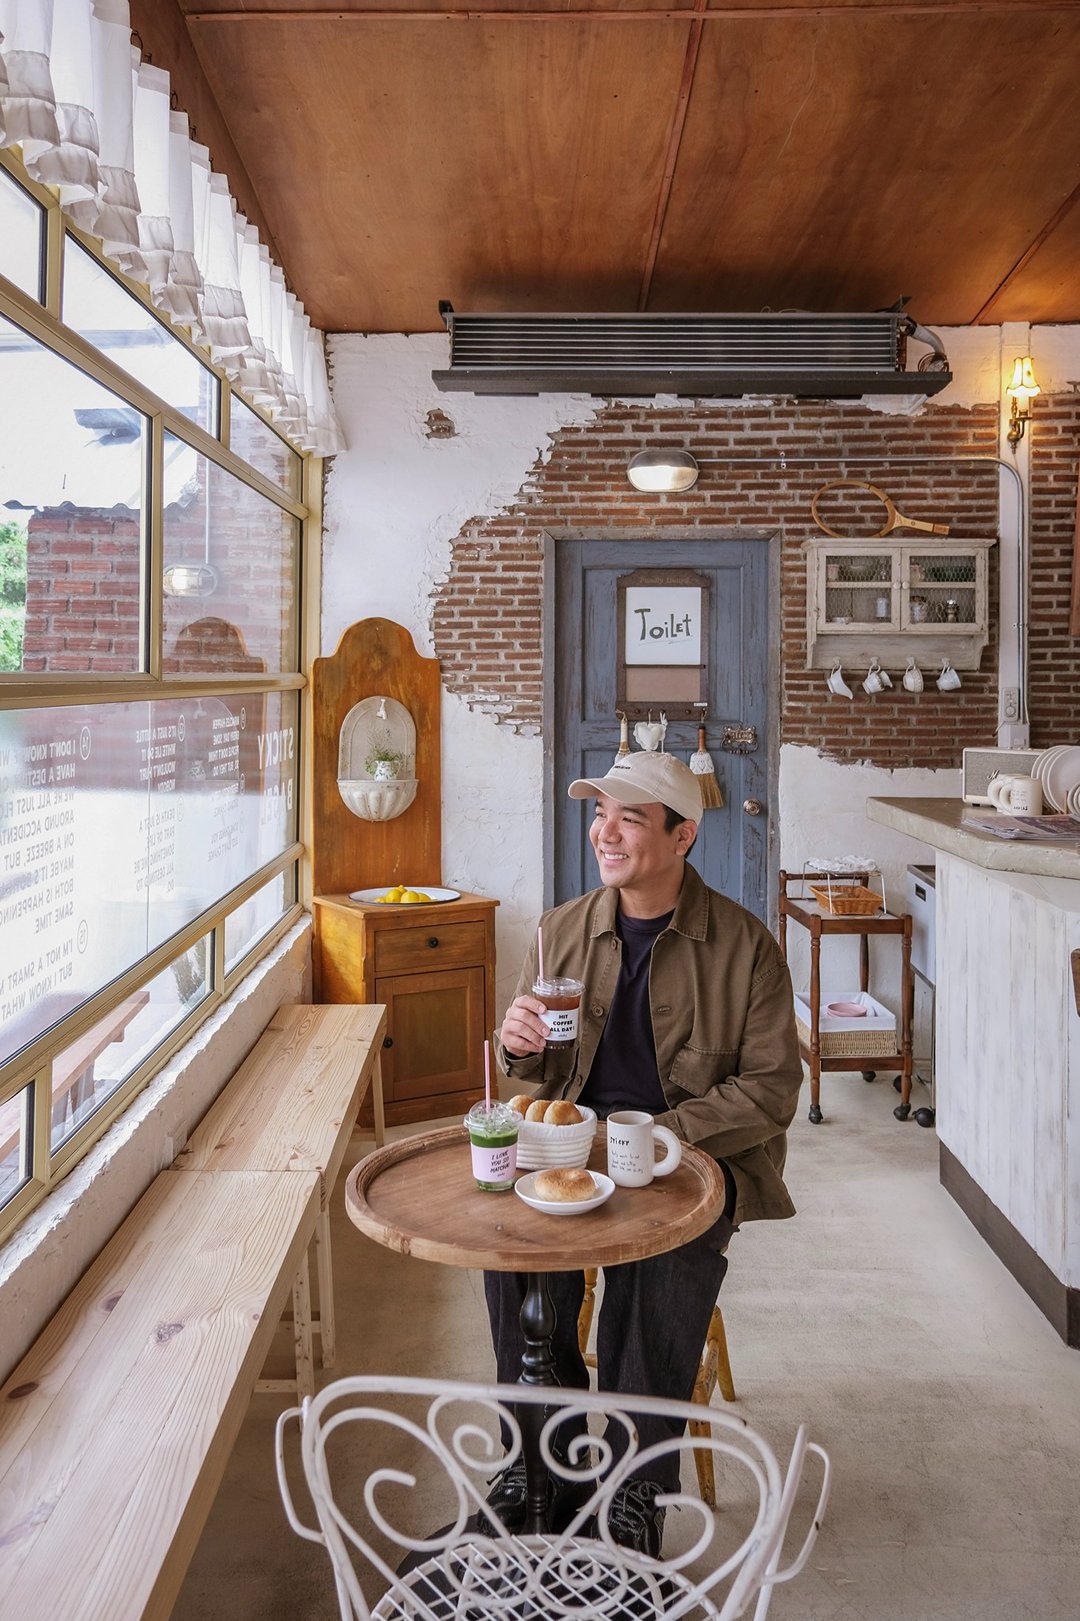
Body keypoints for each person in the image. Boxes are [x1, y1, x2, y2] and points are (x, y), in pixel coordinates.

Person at [485, 750, 802, 1555]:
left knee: (663, 1256)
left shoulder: (746, 947)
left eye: (629, 817)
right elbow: (526, 1077)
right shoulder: (558, 931)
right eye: (601, 814)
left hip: (690, 1155)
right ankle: (538, 1459)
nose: (606, 832)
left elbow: (772, 1089)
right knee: (512, 1246)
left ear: (683, 835)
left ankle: (635, 1486)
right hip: (572, 1146)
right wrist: (514, 1044)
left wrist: (664, 1137)